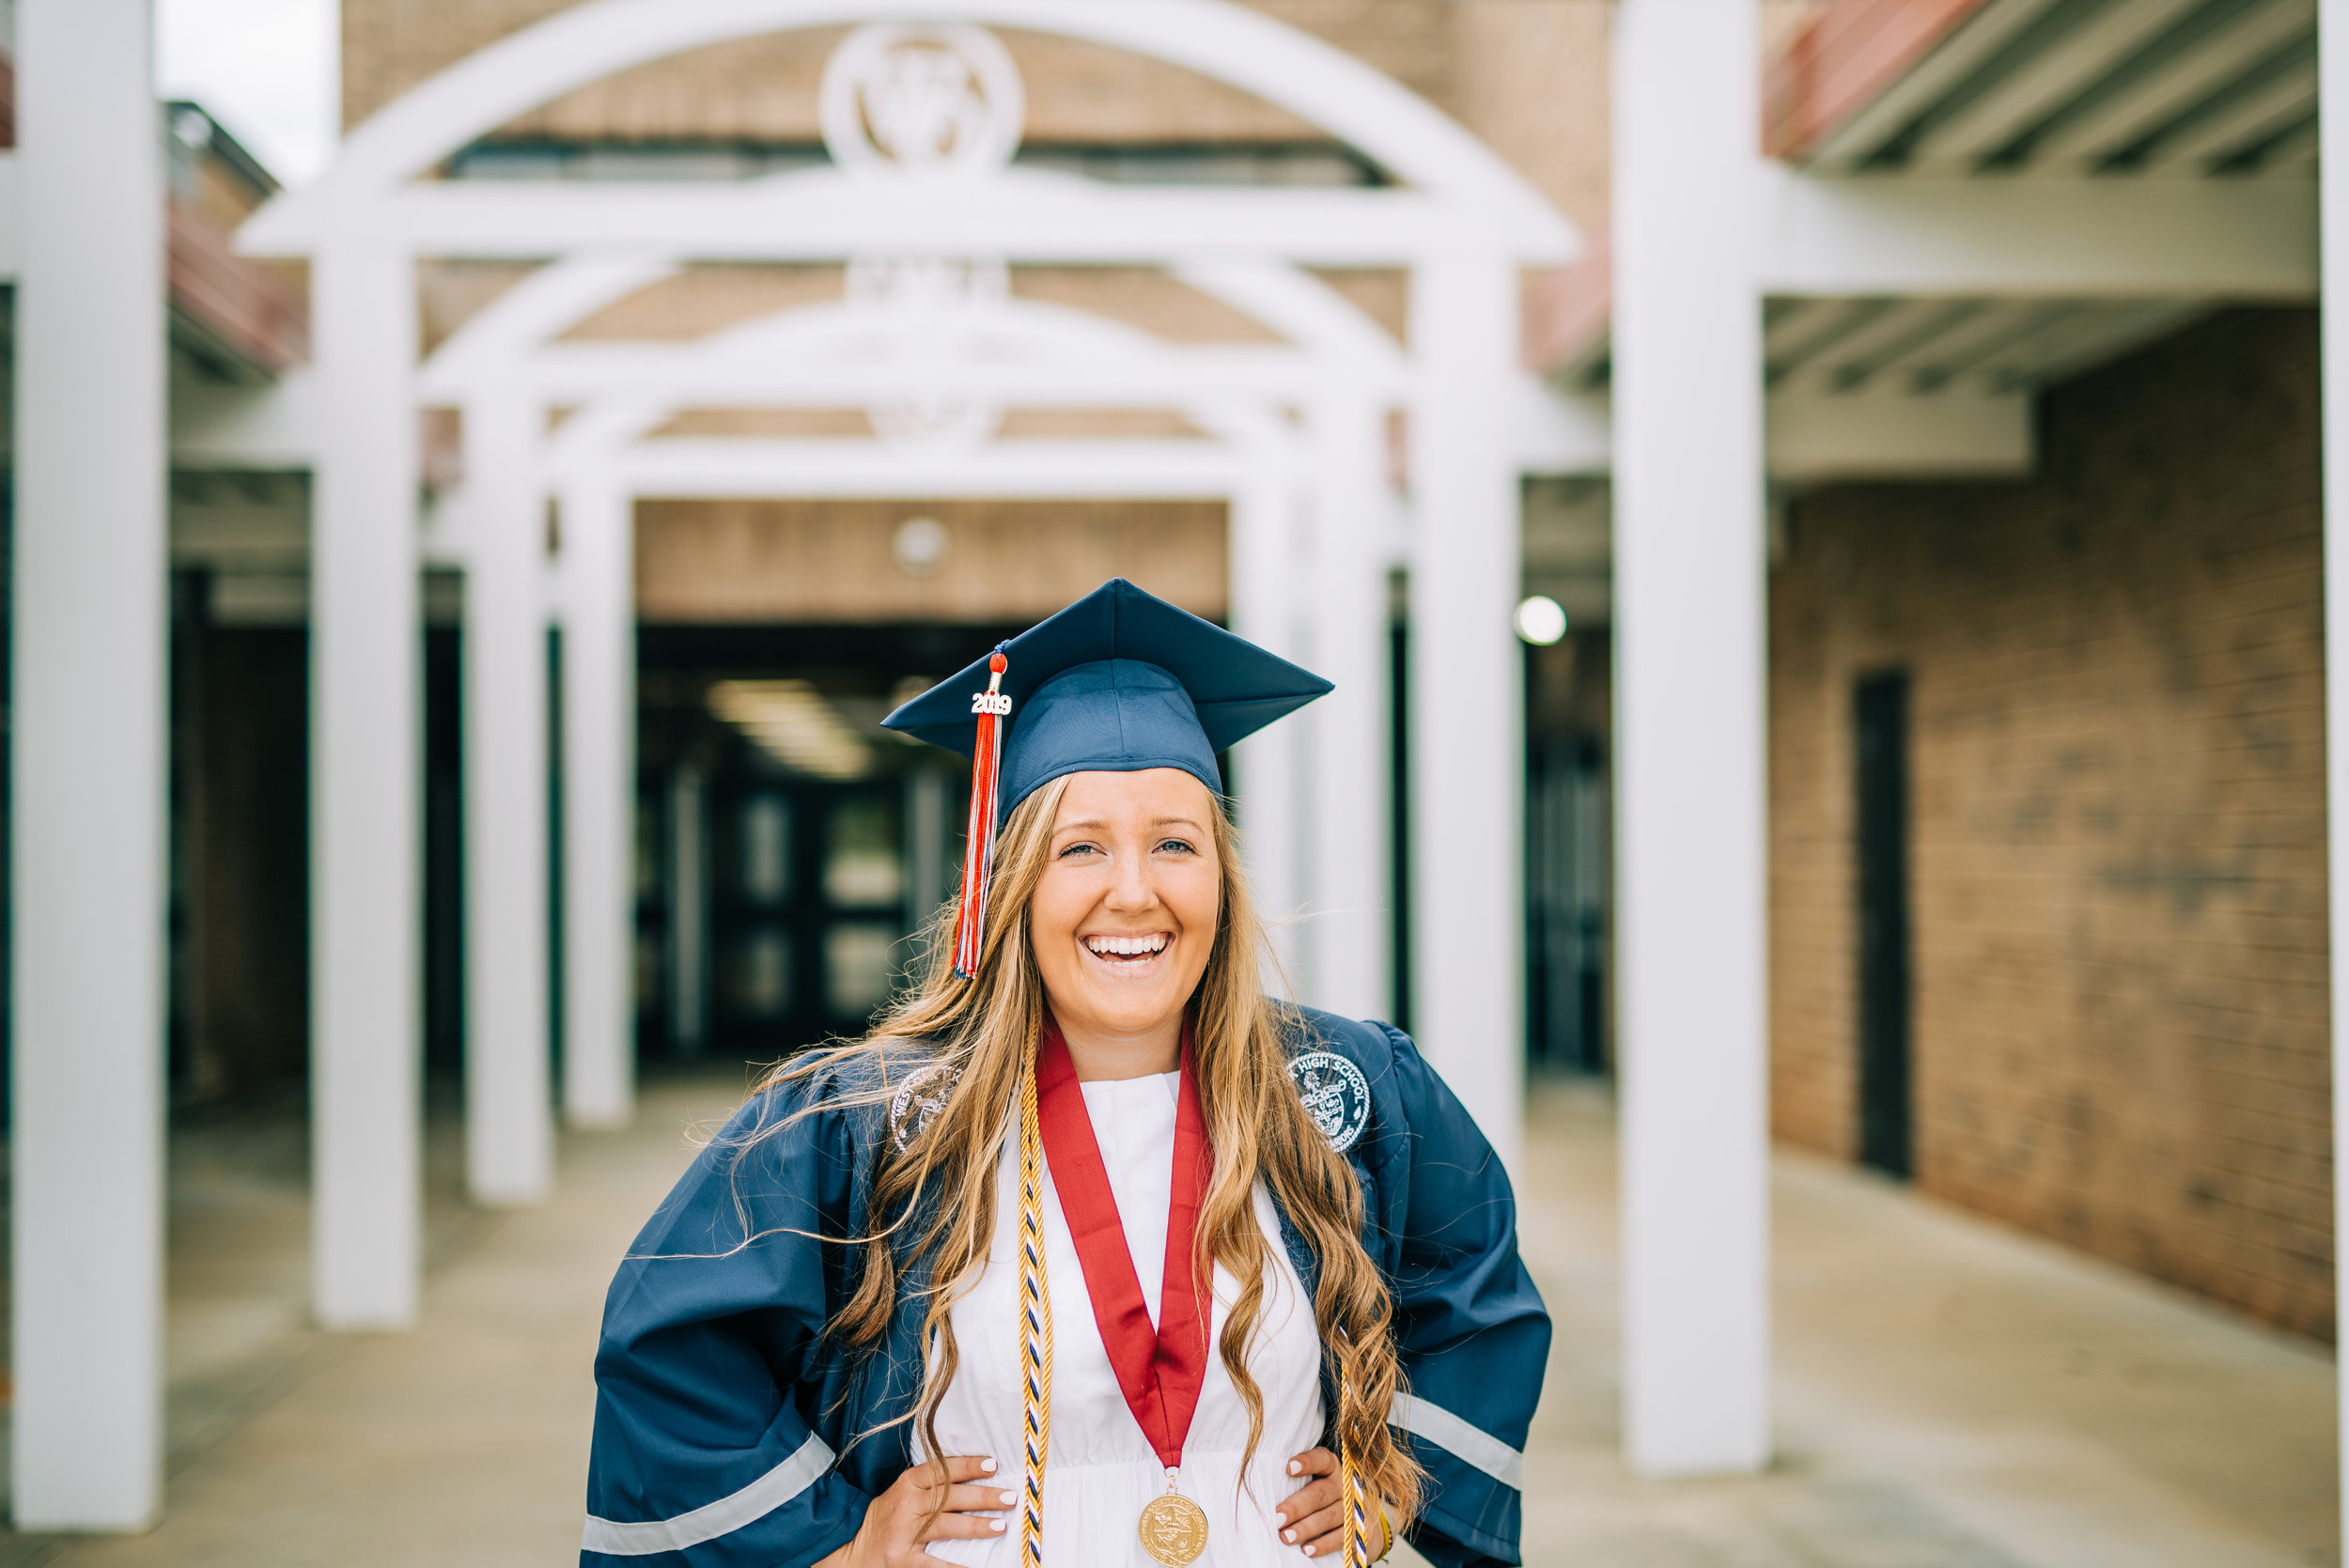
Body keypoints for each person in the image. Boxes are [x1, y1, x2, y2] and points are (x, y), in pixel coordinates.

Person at [582, 580, 1548, 1568]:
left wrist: (1397, 1486)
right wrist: (832, 1548)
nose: (1133, 892)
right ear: (1007, 883)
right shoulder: (864, 1121)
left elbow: (1480, 1301)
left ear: (1221, 872)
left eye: (1175, 843)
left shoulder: (1344, 1093)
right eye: (1078, 848)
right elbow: (670, 1351)